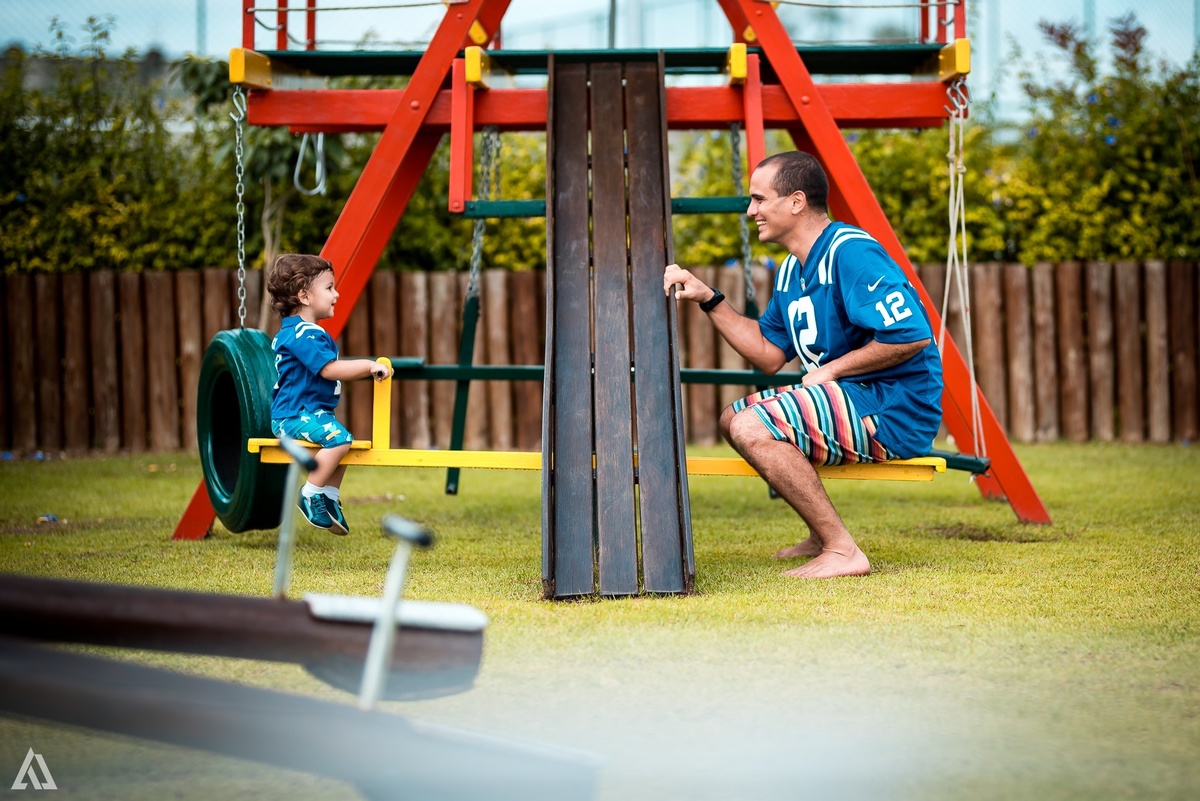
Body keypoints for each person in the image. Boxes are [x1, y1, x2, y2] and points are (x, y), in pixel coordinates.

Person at [663, 151, 943, 579]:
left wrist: (831, 370)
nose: (751, 210)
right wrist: (709, 299)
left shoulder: (851, 252)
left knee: (752, 426)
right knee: (731, 418)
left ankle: (843, 550)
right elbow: (767, 354)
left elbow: (911, 335)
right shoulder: (792, 270)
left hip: (893, 407)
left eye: (759, 199)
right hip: (855, 400)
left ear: (796, 201)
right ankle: (818, 534)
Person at [266, 253, 393, 535]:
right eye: (329, 287)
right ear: (304, 296)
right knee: (340, 439)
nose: (336, 294)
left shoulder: (304, 332)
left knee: (344, 440)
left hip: (307, 413)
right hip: (293, 415)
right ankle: (311, 493)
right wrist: (369, 365)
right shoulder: (302, 334)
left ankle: (329, 497)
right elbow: (328, 370)